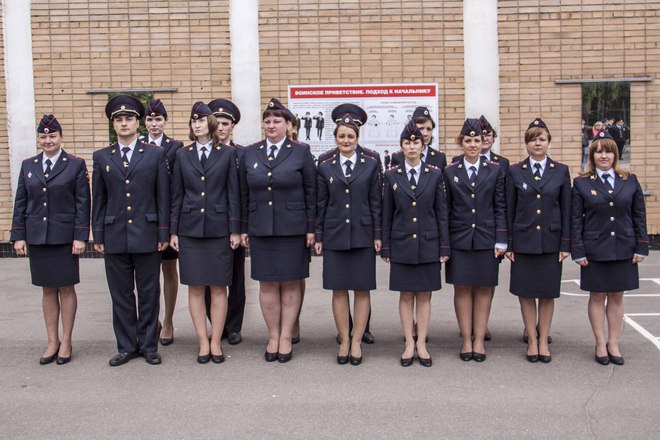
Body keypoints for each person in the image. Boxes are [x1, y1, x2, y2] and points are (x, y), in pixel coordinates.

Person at [92, 95, 170, 367]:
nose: (124, 123)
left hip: (147, 233)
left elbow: (162, 196)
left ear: (139, 123)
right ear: (113, 124)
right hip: (114, 234)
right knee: (121, 294)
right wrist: (98, 234)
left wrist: (163, 233)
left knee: (149, 293)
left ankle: (148, 346)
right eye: (118, 120)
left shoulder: (155, 154)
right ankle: (126, 346)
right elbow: (99, 198)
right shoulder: (102, 156)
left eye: (128, 118)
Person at [239, 98, 317, 363]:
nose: (271, 125)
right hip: (261, 227)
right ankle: (273, 335)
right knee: (267, 284)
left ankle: (286, 336)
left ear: (288, 124)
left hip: (292, 228)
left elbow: (311, 192)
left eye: (277, 121)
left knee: (291, 282)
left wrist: (310, 228)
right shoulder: (250, 152)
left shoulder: (301, 152)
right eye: (267, 121)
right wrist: (243, 227)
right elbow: (243, 193)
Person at [11, 114, 90, 365]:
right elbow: (21, 202)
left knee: (66, 287)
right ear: (39, 139)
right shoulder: (28, 165)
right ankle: (52, 341)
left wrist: (80, 236)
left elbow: (83, 203)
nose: (48, 141)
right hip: (38, 236)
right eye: (43, 137)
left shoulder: (75, 164)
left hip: (64, 237)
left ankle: (66, 341)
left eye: (52, 136)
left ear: (61, 137)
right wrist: (18, 236)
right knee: (47, 289)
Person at [169, 102, 240, 363]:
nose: (197, 125)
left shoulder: (227, 154)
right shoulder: (182, 155)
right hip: (189, 229)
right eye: (193, 121)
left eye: (201, 120)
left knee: (219, 286)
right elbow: (176, 195)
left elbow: (233, 193)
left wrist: (235, 229)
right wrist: (173, 231)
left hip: (219, 228)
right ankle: (202, 341)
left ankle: (216, 341)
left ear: (210, 123)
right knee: (196, 286)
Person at [571, 130, 648, 366]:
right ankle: (599, 342)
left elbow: (639, 215)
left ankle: (613, 342)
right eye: (598, 152)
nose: (603, 156)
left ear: (615, 154)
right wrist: (578, 250)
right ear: (592, 155)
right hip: (595, 248)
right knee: (597, 295)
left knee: (616, 295)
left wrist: (641, 246)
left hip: (624, 246)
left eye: (608, 151)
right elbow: (576, 219)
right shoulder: (582, 183)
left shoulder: (630, 180)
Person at [315, 104, 382, 366]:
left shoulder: (371, 163)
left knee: (362, 290)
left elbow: (376, 202)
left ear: (357, 138)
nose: (346, 140)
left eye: (350, 136)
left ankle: (356, 340)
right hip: (335, 235)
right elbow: (321, 203)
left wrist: (377, 234)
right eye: (341, 136)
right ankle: (344, 339)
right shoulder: (324, 163)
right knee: (339, 289)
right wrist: (319, 235)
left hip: (363, 235)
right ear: (335, 138)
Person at [382, 119, 450, 367]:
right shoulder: (392, 175)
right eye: (407, 143)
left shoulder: (435, 174)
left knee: (424, 295)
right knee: (405, 295)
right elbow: (387, 214)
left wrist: (444, 246)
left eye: (416, 143)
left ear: (423, 145)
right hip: (401, 244)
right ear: (401, 147)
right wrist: (386, 246)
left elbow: (441, 212)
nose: (412, 147)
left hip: (428, 243)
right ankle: (408, 343)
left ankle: (421, 342)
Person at [505, 118, 571, 363]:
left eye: (542, 139)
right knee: (525, 293)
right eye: (533, 139)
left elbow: (566, 209)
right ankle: (532, 340)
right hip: (523, 242)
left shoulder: (560, 171)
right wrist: (509, 243)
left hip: (551, 242)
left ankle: (544, 339)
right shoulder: (515, 171)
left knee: (546, 293)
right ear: (526, 144)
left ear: (549, 142)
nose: (537, 143)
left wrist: (565, 243)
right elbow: (509, 209)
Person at [443, 118, 506, 362]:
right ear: (461, 143)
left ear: (483, 143)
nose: (472, 145)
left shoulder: (494, 169)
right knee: (461, 288)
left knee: (483, 288)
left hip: (486, 238)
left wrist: (501, 239)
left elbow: (500, 206)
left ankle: (479, 339)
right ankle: (466, 339)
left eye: (477, 140)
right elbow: (445, 210)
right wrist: (445, 243)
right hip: (459, 238)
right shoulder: (450, 171)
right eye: (468, 141)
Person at [205, 98, 246, 345]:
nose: (221, 128)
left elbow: (244, 193)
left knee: (236, 278)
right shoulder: (202, 152)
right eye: (217, 123)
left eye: (225, 123)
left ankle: (234, 326)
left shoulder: (242, 153)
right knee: (208, 279)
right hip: (208, 225)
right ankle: (216, 324)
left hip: (234, 224)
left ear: (232, 127)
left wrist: (241, 227)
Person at [143, 98, 183, 346]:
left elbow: (177, 186)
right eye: (150, 119)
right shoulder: (138, 145)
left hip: (166, 218)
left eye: (158, 119)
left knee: (169, 269)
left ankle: (168, 321)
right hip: (144, 218)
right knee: (148, 274)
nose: (154, 123)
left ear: (165, 121)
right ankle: (152, 320)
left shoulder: (175, 147)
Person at [391, 106, 447, 170]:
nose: (425, 134)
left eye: (429, 129)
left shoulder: (440, 157)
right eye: (421, 129)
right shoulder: (397, 157)